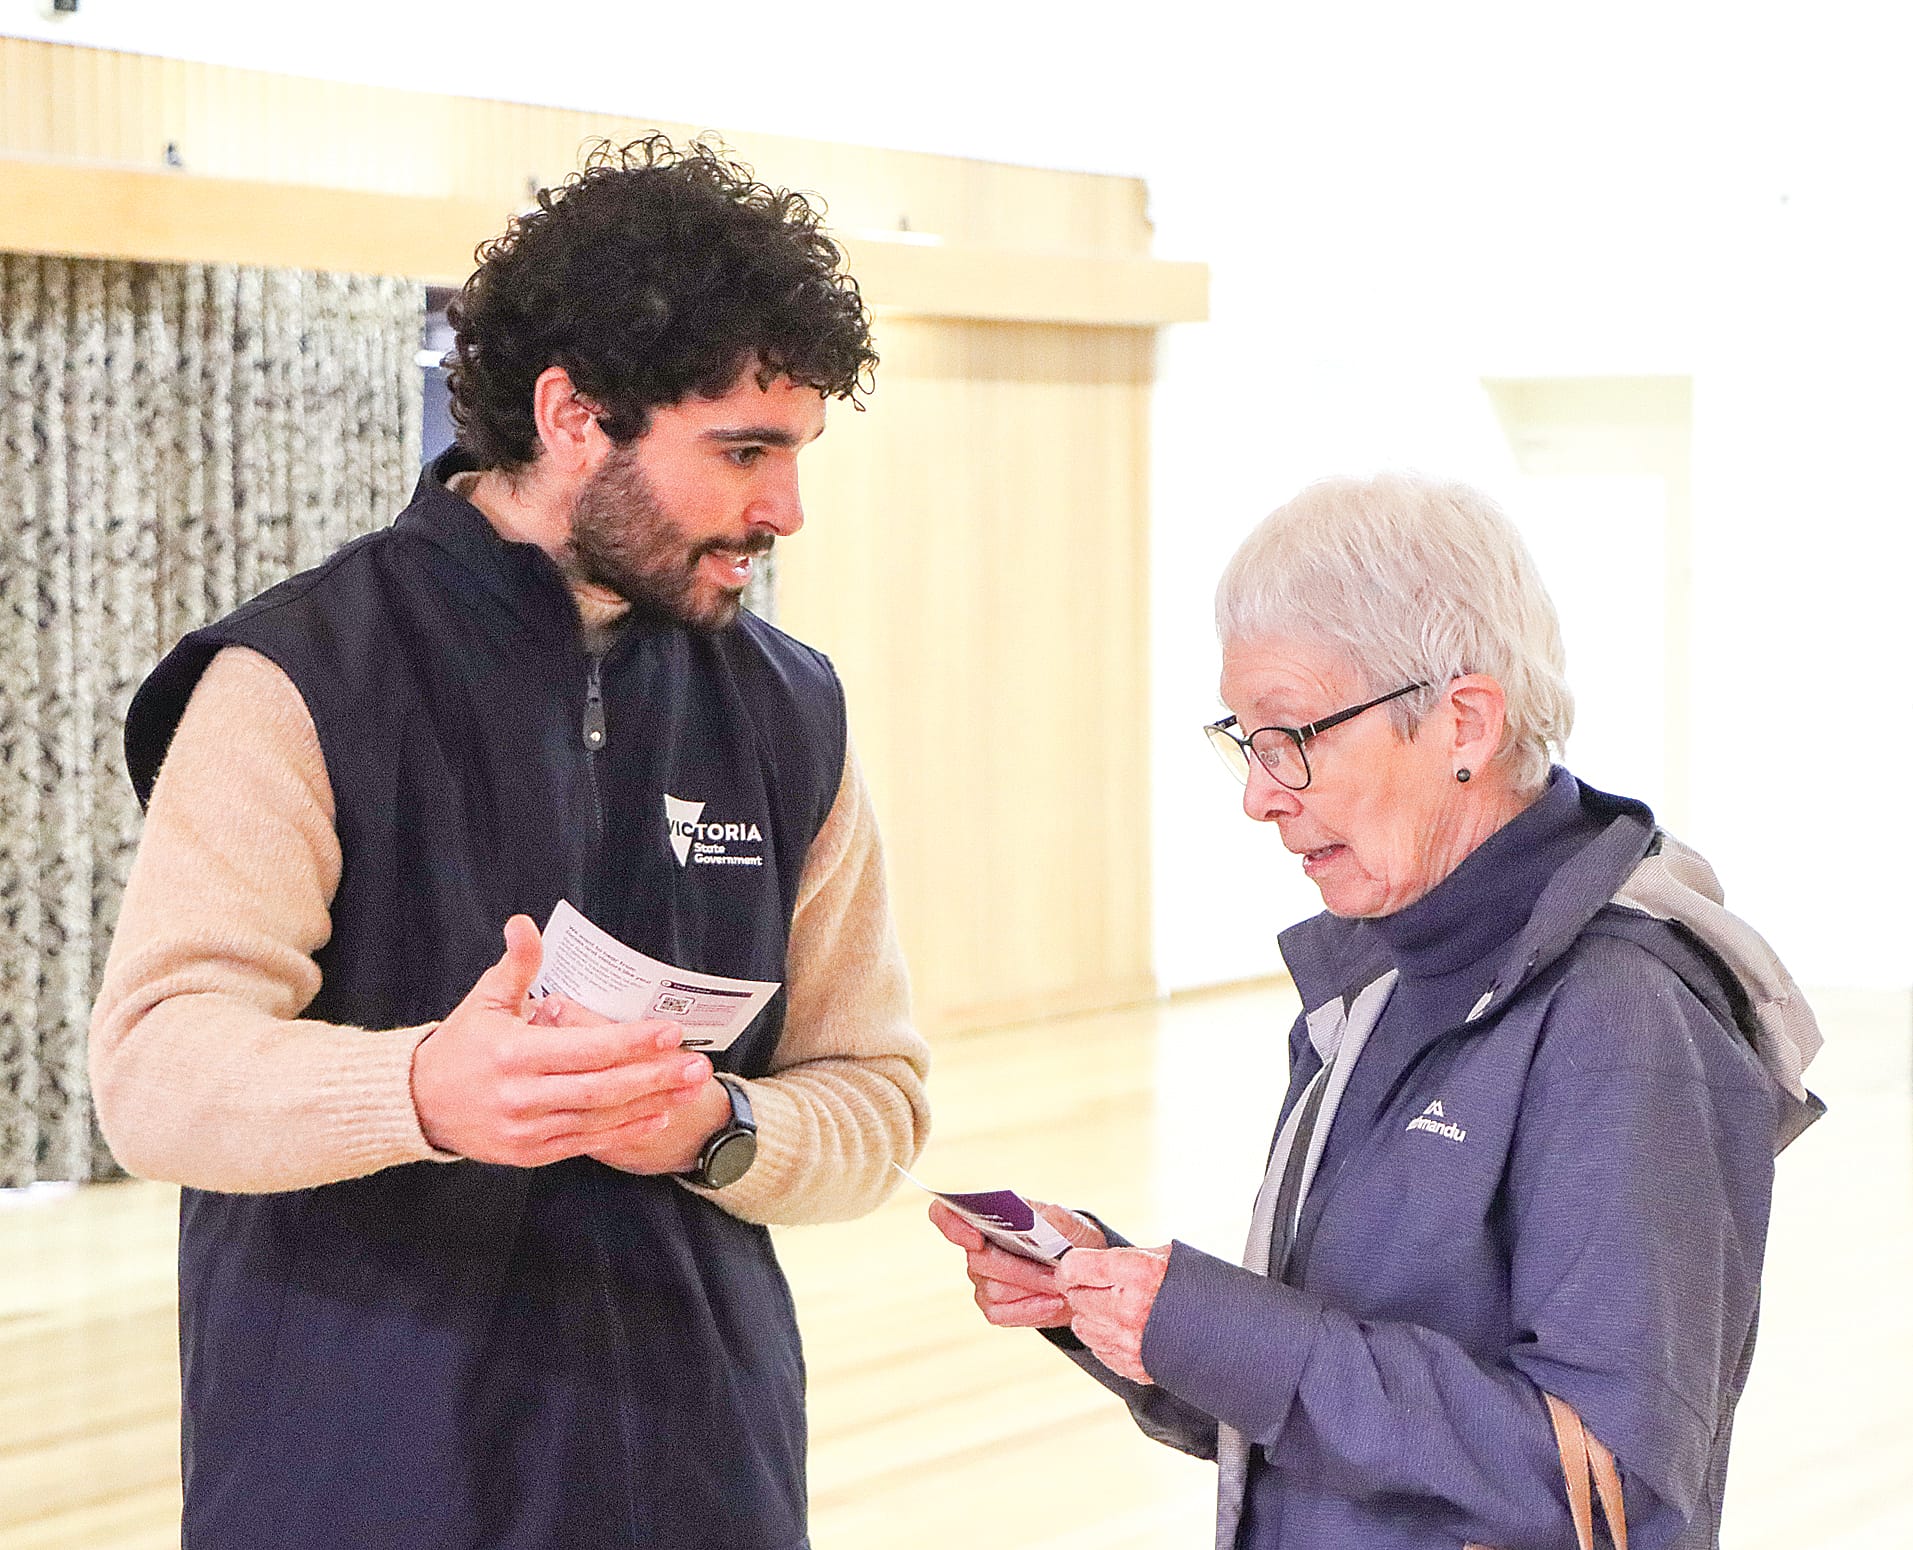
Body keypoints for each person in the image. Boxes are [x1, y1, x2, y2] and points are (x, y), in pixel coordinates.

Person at [90, 136, 929, 1550]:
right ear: (571, 413)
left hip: (700, 1478)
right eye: (743, 450)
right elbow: (156, 1070)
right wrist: (420, 1086)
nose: (785, 508)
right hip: (354, 1476)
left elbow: (878, 1100)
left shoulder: (795, 713)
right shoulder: (295, 679)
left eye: (796, 451)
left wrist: (719, 1128)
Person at [932, 472, 1821, 1550]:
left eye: (1290, 735)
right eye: (1243, 740)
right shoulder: (1372, 982)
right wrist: (1129, 1304)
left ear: (1463, 722)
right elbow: (1322, 1410)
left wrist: (1232, 1334)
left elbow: (1612, 1489)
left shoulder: (1621, 1023)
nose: (1258, 792)